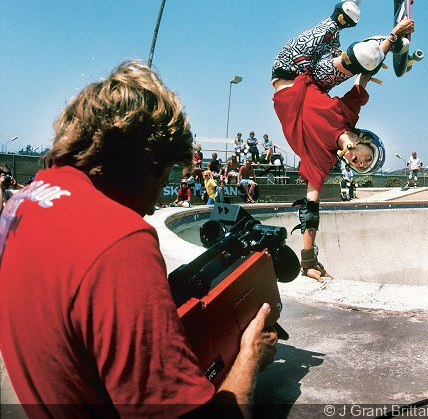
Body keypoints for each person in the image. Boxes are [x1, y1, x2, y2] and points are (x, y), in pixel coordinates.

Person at [0, 61, 277, 417]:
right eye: (165, 174)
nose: (160, 193)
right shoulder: (120, 239)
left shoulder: (23, 200)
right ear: (144, 161)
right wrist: (248, 360)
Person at [272, 0, 415, 283]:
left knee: (369, 53)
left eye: (361, 166)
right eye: (366, 157)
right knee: (353, 27)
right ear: (366, 141)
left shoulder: (321, 160)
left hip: (287, 68)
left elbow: (310, 209)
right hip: (315, 69)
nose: (358, 162)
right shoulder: (349, 115)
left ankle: (390, 41)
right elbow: (362, 79)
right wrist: (393, 38)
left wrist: (306, 259)